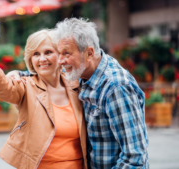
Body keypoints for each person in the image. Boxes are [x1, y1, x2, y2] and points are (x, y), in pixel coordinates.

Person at [8, 18, 149, 169]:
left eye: (66, 54)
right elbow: (47, 73)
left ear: (89, 53)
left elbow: (134, 159)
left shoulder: (116, 87)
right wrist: (17, 73)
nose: (60, 61)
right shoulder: (82, 70)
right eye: (59, 53)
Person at [0, 23, 88, 169]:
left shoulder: (77, 85)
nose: (42, 58)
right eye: (36, 54)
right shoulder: (25, 86)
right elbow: (2, 86)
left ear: (60, 54)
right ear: (31, 59)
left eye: (48, 52)